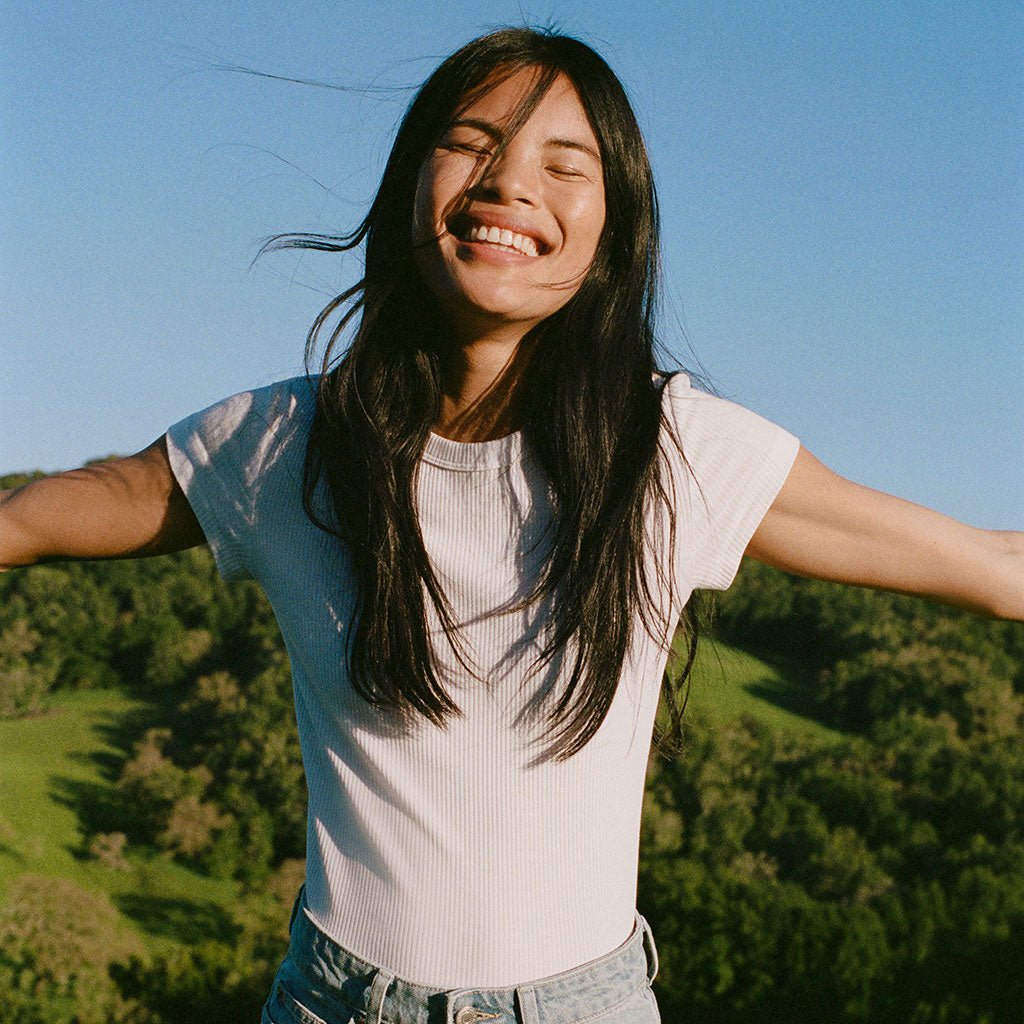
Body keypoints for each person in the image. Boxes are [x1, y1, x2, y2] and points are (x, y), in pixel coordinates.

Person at [1, 27, 1021, 1024]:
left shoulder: (673, 450)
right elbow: (35, 516)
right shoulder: (281, 445)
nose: (509, 183)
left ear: (614, 233)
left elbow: (987, 566)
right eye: (471, 144)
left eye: (563, 164)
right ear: (411, 185)